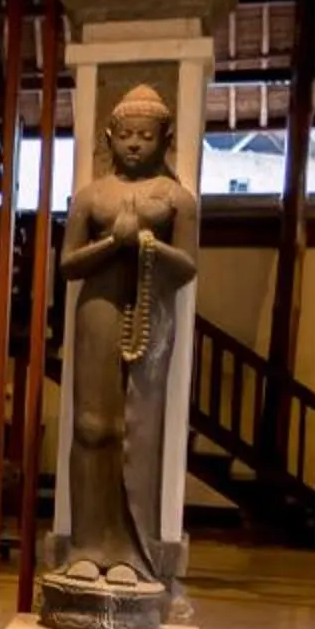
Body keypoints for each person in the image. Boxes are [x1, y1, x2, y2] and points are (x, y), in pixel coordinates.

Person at [53, 83, 199, 589]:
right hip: (97, 310)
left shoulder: (179, 198)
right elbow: (69, 264)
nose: (135, 144)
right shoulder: (91, 196)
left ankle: (130, 551)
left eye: (146, 136)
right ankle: (87, 544)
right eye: (127, 136)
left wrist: (147, 244)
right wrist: (111, 243)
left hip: (147, 314)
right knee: (92, 427)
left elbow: (187, 267)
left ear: (165, 139)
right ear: (110, 136)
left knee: (134, 430)